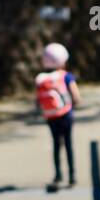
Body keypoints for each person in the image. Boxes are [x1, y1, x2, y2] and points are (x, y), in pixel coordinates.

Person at [35, 42, 81, 188]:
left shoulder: (41, 78)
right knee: (68, 144)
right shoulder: (66, 76)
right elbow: (76, 96)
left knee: (56, 144)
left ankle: (58, 175)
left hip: (50, 116)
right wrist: (74, 105)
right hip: (65, 115)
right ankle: (72, 176)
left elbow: (37, 101)